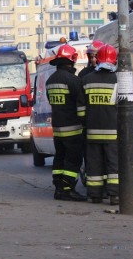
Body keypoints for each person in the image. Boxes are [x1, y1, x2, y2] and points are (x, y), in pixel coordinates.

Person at [46, 44, 87, 201]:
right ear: (72, 59)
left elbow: (53, 102)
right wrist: (84, 123)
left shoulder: (50, 81)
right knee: (73, 159)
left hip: (58, 128)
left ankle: (58, 187)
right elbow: (81, 106)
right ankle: (68, 188)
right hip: (73, 128)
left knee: (60, 157)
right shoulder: (74, 80)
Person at [82, 44, 119, 205]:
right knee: (113, 166)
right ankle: (114, 195)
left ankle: (95, 195)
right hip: (112, 132)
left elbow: (80, 109)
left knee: (94, 165)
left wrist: (86, 123)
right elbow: (128, 105)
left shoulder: (86, 80)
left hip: (92, 131)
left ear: (98, 58)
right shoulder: (118, 80)